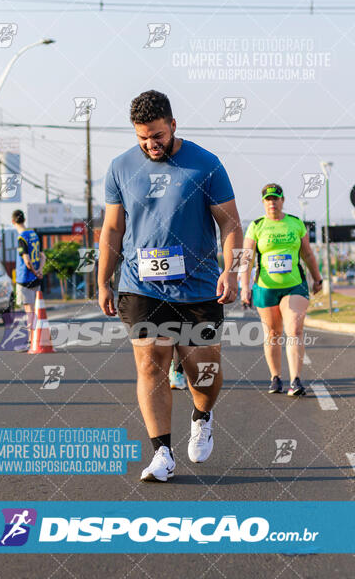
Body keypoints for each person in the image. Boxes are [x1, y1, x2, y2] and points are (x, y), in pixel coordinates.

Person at [98, 90, 242, 482]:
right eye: (142, 137)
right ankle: (162, 452)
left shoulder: (205, 165)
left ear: (173, 125)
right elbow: (113, 227)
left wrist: (231, 270)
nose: (150, 144)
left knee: (203, 372)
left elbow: (230, 223)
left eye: (157, 135)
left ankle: (202, 414)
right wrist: (103, 280)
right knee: (151, 364)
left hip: (198, 288)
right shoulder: (120, 168)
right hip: (140, 286)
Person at [240, 184, 323, 396]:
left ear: (282, 200)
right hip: (266, 287)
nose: (272, 203)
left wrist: (317, 278)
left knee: (294, 330)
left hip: (294, 285)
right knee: (273, 334)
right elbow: (247, 259)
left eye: (275, 198)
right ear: (263, 202)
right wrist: (244, 287)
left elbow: (308, 254)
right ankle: (275, 377)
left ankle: (295, 380)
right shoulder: (257, 226)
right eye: (268, 199)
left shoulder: (295, 223)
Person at [12, 210, 46, 344]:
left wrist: (33, 270)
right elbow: (43, 256)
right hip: (36, 279)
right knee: (35, 310)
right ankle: (36, 337)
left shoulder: (21, 238)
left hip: (25, 278)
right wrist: (40, 270)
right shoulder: (34, 235)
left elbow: (26, 260)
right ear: (24, 220)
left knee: (29, 311)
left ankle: (32, 340)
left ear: (13, 222)